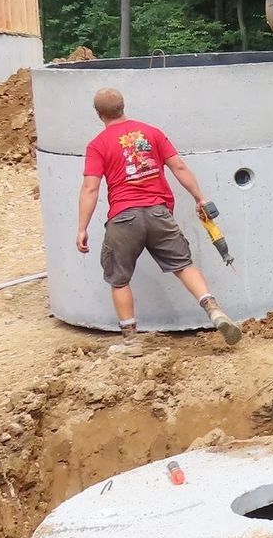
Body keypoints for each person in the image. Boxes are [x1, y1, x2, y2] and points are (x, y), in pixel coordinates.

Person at [74, 86, 240, 349]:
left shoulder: (98, 145)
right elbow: (178, 166)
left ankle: (131, 342)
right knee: (184, 265)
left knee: (119, 280)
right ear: (123, 107)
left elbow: (90, 188)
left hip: (124, 219)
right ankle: (214, 310)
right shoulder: (151, 132)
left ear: (98, 113)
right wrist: (200, 198)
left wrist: (82, 227)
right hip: (159, 213)